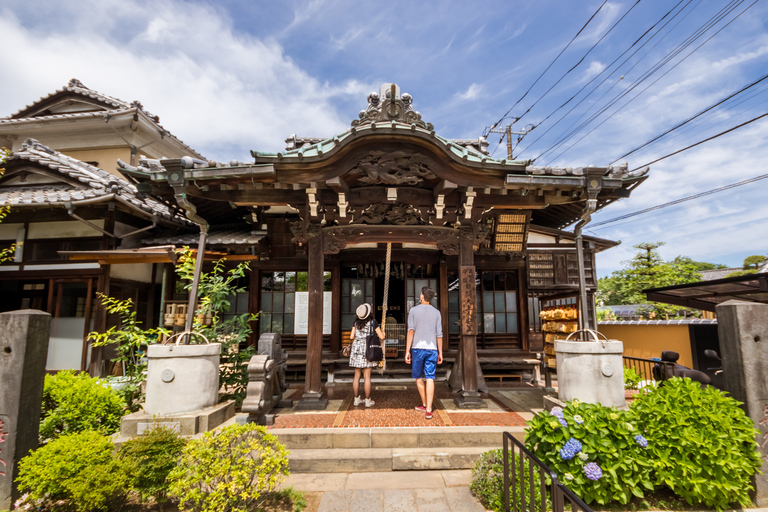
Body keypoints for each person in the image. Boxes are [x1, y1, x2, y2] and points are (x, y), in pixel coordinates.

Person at [405, 287, 443, 419]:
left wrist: (407, 350)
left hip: (417, 348)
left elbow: (411, 331)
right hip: (432, 349)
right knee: (430, 377)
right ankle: (429, 409)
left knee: (418, 377)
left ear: (422, 296)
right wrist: (440, 352)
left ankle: (425, 403)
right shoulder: (436, 312)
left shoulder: (413, 311)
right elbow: (439, 334)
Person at [349, 302, 385, 407]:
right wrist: (383, 334)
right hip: (368, 350)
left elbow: (351, 337)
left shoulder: (355, 323)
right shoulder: (373, 322)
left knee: (356, 376)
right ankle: (367, 400)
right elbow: (381, 337)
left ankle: (356, 399)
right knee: (367, 377)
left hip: (356, 350)